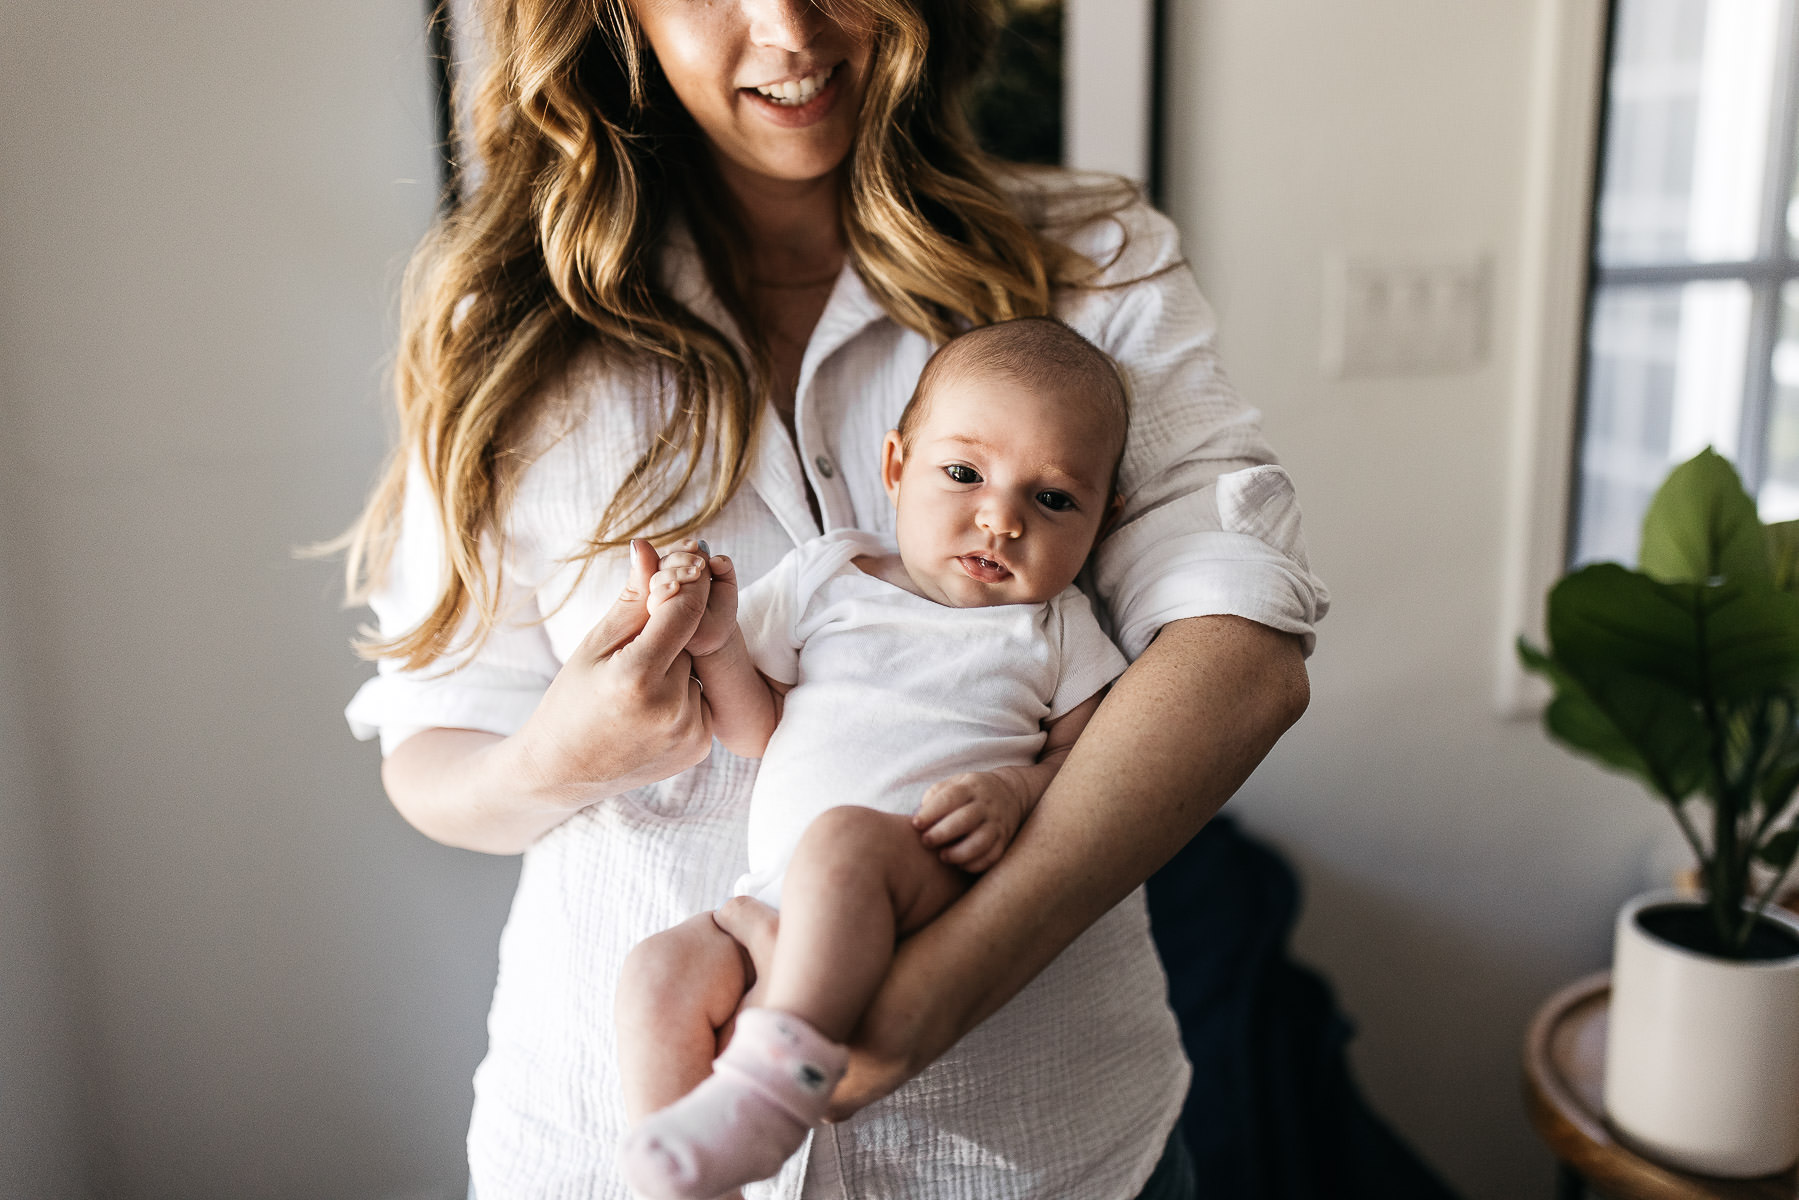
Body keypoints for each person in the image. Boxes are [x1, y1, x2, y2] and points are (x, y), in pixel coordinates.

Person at [340, 0, 1327, 1196]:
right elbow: (433, 749)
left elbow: (1240, 650)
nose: (789, 29)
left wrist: (941, 988)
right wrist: (564, 753)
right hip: (601, 1136)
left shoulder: (1090, 259)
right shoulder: (505, 324)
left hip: (1028, 1155)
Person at [616, 318, 1133, 1200]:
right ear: (896, 466)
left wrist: (1016, 792)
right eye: (963, 474)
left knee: (844, 839)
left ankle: (771, 1096)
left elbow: (1092, 766)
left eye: (1052, 500)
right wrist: (714, 641)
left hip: (922, 866)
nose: (1000, 518)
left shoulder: (1056, 629)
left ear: (1102, 520)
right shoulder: (832, 576)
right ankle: (688, 1175)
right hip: (777, 894)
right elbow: (754, 730)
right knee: (658, 970)